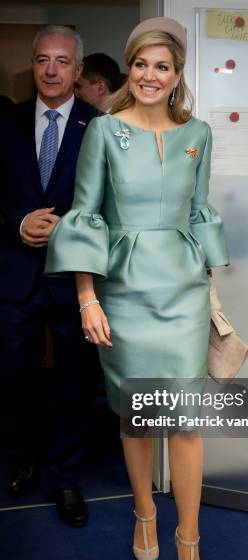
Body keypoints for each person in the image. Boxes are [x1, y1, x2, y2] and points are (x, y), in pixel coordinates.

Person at [45, 17, 229, 560]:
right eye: (143, 65)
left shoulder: (198, 131)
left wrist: (211, 287)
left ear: (177, 77)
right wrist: (86, 298)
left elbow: (200, 211)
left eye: (163, 67)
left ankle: (189, 538)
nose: (151, 76)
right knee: (137, 414)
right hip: (121, 292)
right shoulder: (102, 130)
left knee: (185, 421)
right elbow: (85, 216)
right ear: (132, 70)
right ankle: (145, 512)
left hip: (183, 291)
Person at [0, 25, 101, 527]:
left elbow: (112, 206)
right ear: (33, 65)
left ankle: (65, 479)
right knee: (14, 380)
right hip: (13, 277)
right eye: (43, 60)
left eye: (63, 61)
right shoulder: (5, 123)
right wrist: (18, 221)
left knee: (73, 385)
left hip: (73, 280)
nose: (51, 70)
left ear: (78, 70)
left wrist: (71, 228)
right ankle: (25, 459)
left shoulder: (100, 127)